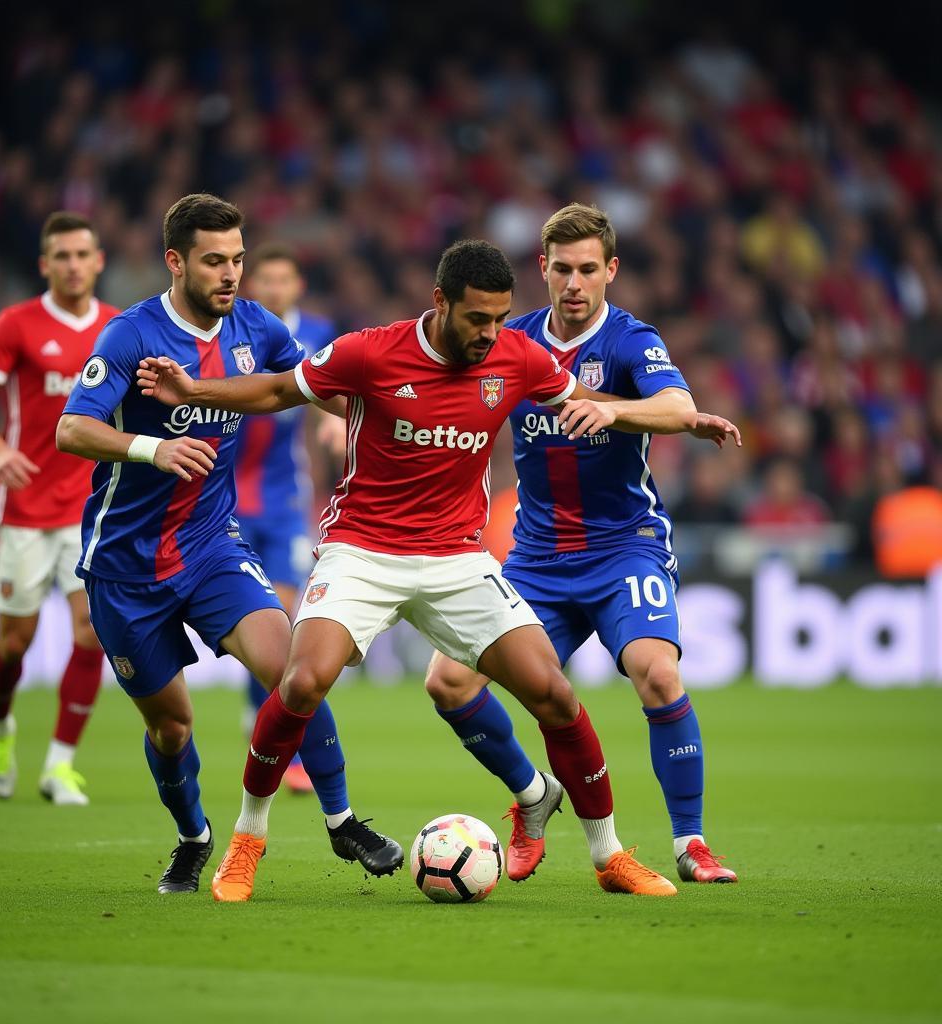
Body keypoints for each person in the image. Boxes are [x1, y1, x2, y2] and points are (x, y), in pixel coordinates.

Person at [138, 238, 729, 902]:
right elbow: (280, 388)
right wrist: (195, 389)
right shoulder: (371, 351)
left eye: (501, 318)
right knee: (301, 683)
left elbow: (592, 402)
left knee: (555, 696)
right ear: (441, 302)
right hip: (362, 549)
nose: (489, 334)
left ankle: (609, 854)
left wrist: (681, 418)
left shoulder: (517, 354)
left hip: (456, 557)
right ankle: (247, 841)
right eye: (477, 318)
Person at [56, 193, 402, 894]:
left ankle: (342, 822)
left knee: (297, 674)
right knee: (173, 730)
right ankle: (193, 836)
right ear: (176, 261)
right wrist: (153, 448)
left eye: (238, 259)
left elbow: (319, 385)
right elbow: (72, 430)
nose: (231, 274)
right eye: (215, 261)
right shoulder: (130, 335)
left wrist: (374, 414)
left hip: (213, 545)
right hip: (125, 568)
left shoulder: (257, 326)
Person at [424, 204, 741, 884]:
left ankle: (691, 843)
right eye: (561, 269)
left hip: (625, 549)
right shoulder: (509, 340)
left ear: (611, 272)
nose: (574, 283)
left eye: (588, 270)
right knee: (447, 681)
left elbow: (677, 408)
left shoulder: (630, 341)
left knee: (658, 673)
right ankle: (532, 794)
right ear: (542, 269)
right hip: (536, 559)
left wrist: (613, 408)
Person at [0, 211, 117, 806]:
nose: (73, 265)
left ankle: (59, 765)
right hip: (23, 510)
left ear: (99, 261)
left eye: (83, 254)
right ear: (44, 264)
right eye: (62, 255)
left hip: (92, 511)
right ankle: (0, 723)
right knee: (14, 644)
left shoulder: (116, 328)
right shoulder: (17, 323)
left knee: (92, 632)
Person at [235, 244, 337, 793]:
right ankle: (265, 730)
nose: (274, 289)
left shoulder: (318, 333)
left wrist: (335, 423)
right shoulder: (237, 331)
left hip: (284, 501)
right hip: (225, 499)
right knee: (262, 629)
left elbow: (339, 390)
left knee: (284, 615)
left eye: (284, 279)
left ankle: (280, 743)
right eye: (265, 279)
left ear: (297, 286)